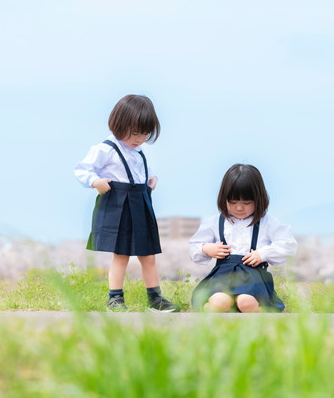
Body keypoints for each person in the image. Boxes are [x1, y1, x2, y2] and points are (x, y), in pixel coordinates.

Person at [74, 94, 178, 312]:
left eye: (145, 133)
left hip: (140, 201)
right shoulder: (105, 149)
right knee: (120, 255)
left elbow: (146, 170)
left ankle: (155, 298)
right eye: (135, 132)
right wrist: (95, 181)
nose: (139, 138)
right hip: (118, 202)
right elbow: (82, 169)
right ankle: (115, 298)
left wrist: (152, 178)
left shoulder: (142, 150)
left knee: (148, 255)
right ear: (119, 124)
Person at [189, 164, 297, 312]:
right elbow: (194, 246)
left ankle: (265, 323)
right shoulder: (215, 222)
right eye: (232, 202)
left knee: (246, 302)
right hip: (223, 276)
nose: (239, 208)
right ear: (223, 199)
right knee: (219, 303)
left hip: (253, 278)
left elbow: (289, 245)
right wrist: (207, 248)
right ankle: (209, 324)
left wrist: (263, 254)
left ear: (259, 199)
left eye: (247, 203)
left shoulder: (268, 222)